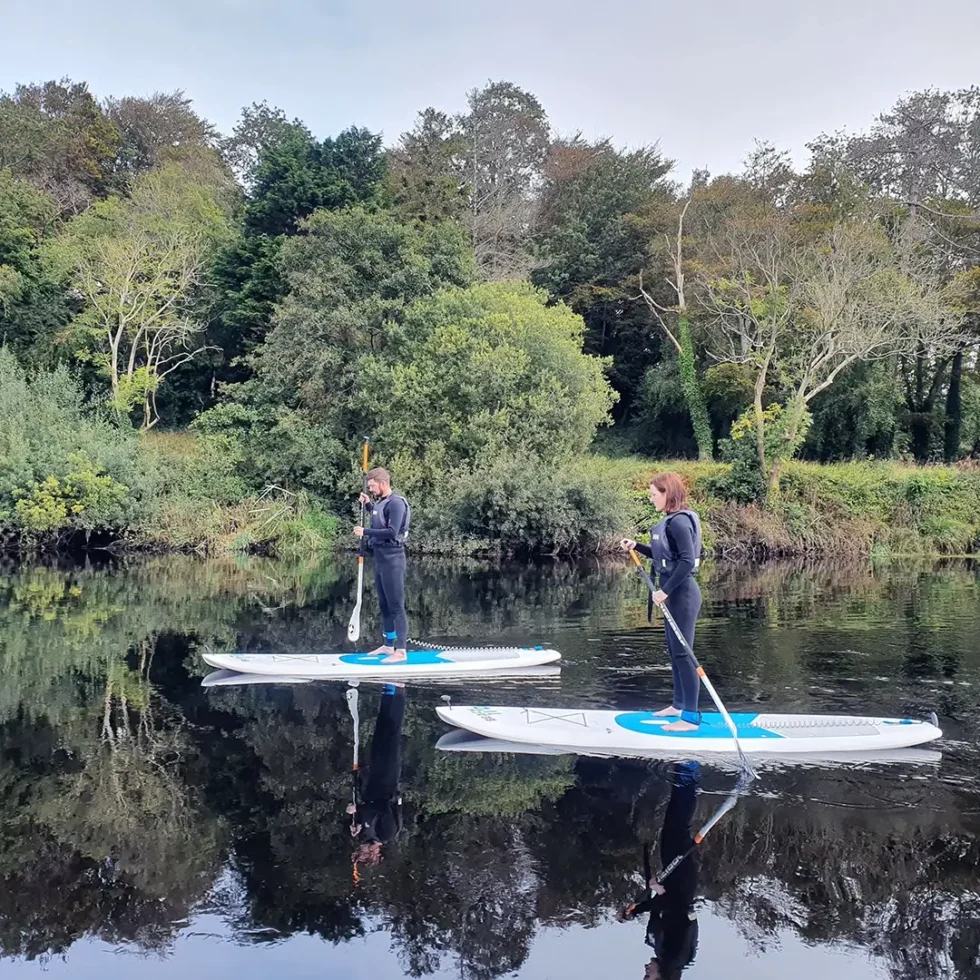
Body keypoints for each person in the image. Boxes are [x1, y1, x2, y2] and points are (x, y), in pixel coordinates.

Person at [620, 472, 703, 733]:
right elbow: (665, 555)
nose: (651, 498)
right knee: (673, 651)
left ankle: (690, 718)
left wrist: (664, 590)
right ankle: (678, 705)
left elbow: (687, 562)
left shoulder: (679, 522)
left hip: (683, 594)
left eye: (654, 494)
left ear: (667, 494)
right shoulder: (670, 522)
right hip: (673, 594)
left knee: (683, 653)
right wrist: (637, 546)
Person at [618, 762, 701, 980]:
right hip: (681, 882)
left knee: (672, 826)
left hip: (671, 882)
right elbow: (684, 918)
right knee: (678, 828)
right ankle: (688, 773)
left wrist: (634, 912)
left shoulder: (661, 951)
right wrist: (661, 891)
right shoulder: (679, 956)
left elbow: (657, 908)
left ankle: (684, 777)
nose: (645, 973)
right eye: (648, 978)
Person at [353, 467, 411, 664]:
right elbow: (378, 516)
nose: (370, 489)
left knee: (396, 605)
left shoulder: (396, 503)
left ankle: (401, 651)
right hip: (380, 559)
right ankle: (388, 645)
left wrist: (365, 532)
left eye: (372, 486)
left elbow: (392, 531)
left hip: (393, 559)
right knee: (384, 604)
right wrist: (368, 504)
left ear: (383, 483)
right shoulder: (381, 503)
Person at [347, 683, 406, 872]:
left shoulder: (364, 833)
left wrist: (356, 820)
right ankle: (398, 691)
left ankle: (388, 692)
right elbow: (383, 808)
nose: (360, 848)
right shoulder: (387, 834)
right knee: (391, 734)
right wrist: (360, 808)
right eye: (362, 853)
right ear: (373, 854)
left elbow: (363, 810)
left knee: (379, 733)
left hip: (373, 780)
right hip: (387, 780)